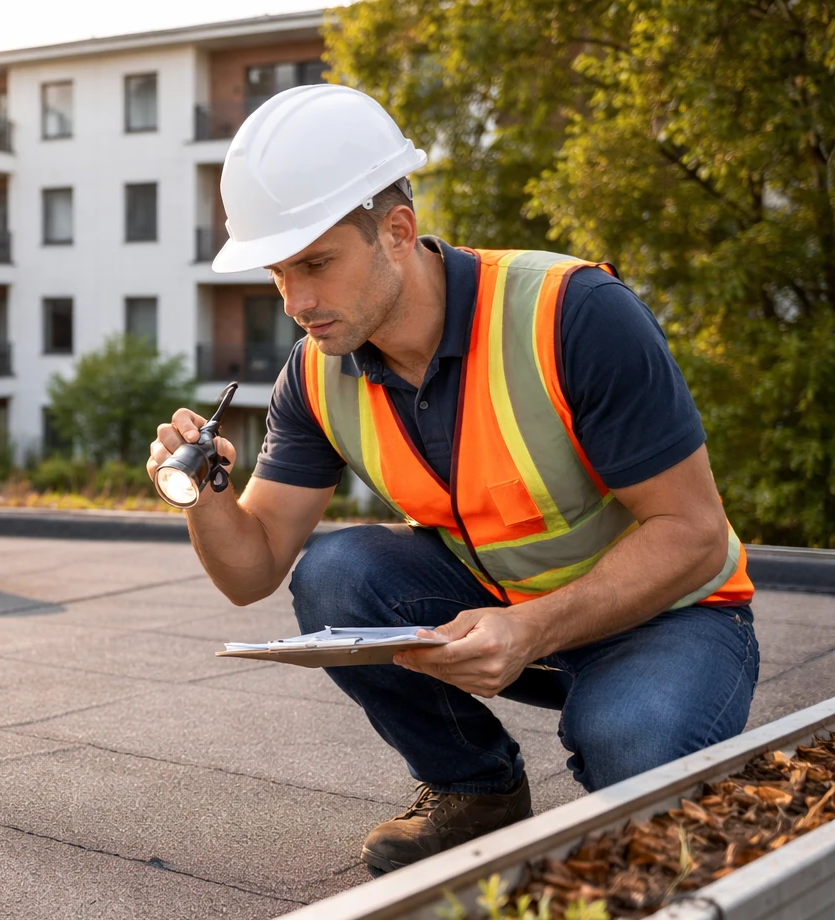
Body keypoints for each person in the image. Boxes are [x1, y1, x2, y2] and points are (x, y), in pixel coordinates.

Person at [147, 84, 758, 875]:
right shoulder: (318, 373)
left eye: (317, 264)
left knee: (637, 765)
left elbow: (694, 532)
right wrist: (203, 495)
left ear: (397, 230)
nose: (296, 301)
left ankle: (671, 764)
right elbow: (251, 570)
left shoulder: (572, 313)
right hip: (497, 614)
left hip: (670, 616)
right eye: (277, 273)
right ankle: (476, 790)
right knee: (334, 576)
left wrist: (534, 629)